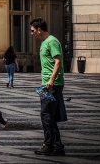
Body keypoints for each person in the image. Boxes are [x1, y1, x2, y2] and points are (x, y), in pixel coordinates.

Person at [30, 17, 67, 156]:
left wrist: (51, 80)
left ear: (39, 29)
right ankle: (57, 146)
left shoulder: (52, 41)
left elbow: (58, 61)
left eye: (33, 30)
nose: (32, 33)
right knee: (48, 115)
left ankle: (49, 145)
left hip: (52, 85)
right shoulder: (45, 42)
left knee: (46, 114)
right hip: (46, 84)